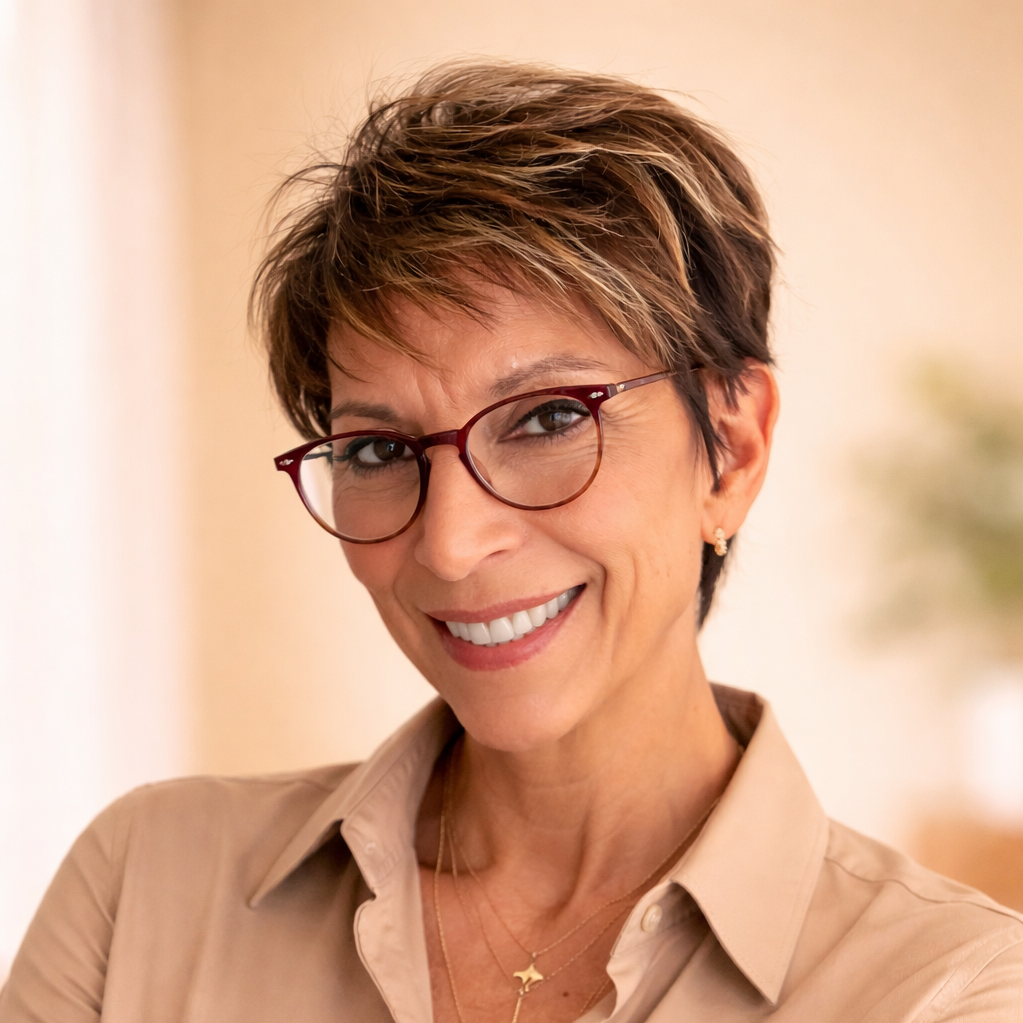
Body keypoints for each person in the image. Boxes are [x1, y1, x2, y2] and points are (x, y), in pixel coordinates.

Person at [2, 61, 1021, 1023]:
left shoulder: (948, 991)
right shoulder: (144, 892)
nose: (448, 543)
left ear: (734, 448)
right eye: (375, 450)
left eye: (544, 420)